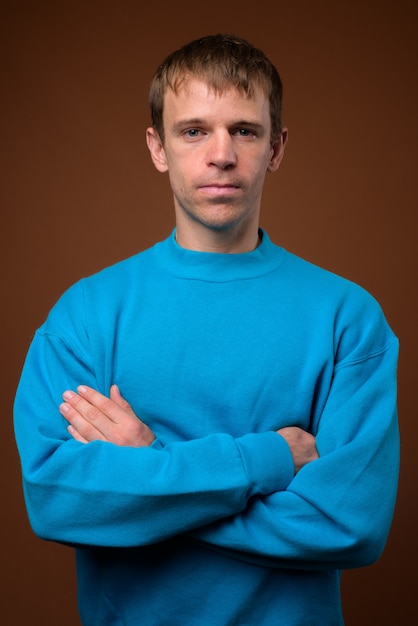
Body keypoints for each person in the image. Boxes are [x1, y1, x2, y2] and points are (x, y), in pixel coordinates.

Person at [14, 34, 399, 625]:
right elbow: (59, 500)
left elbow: (348, 526)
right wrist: (265, 460)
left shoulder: (348, 317)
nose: (221, 154)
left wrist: (149, 468)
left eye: (244, 130)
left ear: (276, 147)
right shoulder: (85, 314)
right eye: (193, 130)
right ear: (157, 147)